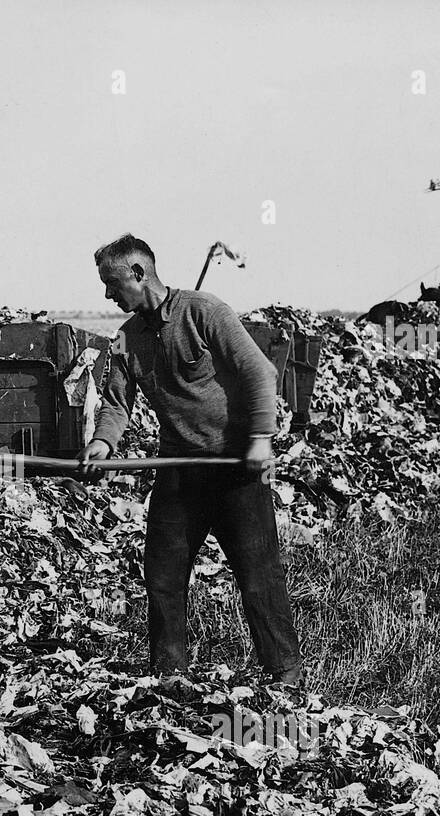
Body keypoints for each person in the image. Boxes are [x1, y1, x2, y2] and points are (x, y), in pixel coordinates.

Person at [77, 234, 302, 687]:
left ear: (139, 273)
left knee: (259, 579)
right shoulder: (127, 339)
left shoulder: (203, 311)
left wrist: (260, 438)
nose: (107, 294)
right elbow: (118, 405)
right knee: (163, 576)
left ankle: (285, 677)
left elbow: (259, 371)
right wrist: (103, 445)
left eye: (112, 283)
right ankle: (169, 675)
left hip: (234, 469)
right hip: (178, 471)